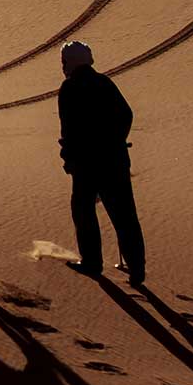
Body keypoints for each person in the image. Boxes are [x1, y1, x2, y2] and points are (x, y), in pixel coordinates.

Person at [59, 40, 146, 283]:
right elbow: (126, 115)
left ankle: (92, 262)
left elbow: (69, 130)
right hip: (115, 160)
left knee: (83, 210)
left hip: (86, 164)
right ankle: (137, 269)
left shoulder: (70, 88)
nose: (63, 66)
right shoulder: (104, 82)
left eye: (64, 61)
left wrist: (69, 157)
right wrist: (115, 141)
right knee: (124, 214)